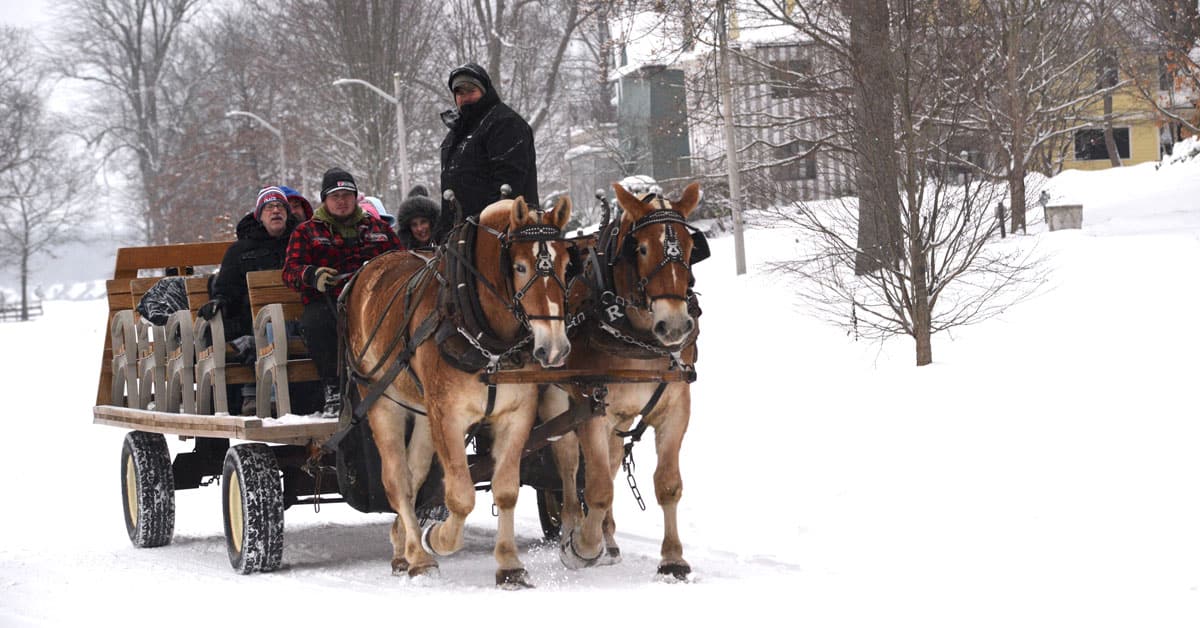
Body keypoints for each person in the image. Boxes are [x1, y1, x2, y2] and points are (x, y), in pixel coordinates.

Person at [282, 168, 402, 417]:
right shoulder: (306, 232)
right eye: (335, 195)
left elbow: (402, 261)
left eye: (347, 194)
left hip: (376, 302)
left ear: (355, 197)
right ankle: (333, 390)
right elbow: (290, 270)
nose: (341, 201)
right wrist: (312, 275)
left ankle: (398, 387)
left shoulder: (378, 229)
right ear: (324, 200)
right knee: (317, 322)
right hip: (329, 302)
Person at [199, 186, 299, 414]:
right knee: (260, 327)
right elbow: (225, 287)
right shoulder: (240, 250)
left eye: (281, 206)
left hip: (295, 316)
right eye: (269, 207)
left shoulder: (299, 243)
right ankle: (256, 393)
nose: (276, 211)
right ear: (259, 215)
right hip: (252, 319)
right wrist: (219, 301)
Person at [437, 63, 538, 241]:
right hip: (461, 236)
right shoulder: (454, 136)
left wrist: (486, 227)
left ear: (485, 90)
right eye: (459, 92)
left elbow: (508, 185)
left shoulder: (505, 123)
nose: (465, 97)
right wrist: (442, 232)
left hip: (504, 235)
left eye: (471, 90)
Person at [395, 185, 439, 249]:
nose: (419, 228)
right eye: (414, 225)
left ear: (432, 223)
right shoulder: (401, 252)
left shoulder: (446, 248)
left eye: (423, 222)